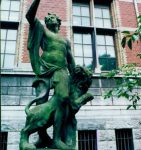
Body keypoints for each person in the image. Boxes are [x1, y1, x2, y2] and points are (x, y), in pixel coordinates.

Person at [25, 0, 76, 149]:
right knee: (41, 103)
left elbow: (70, 59)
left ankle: (57, 138)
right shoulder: (43, 31)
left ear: (58, 21)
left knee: (63, 99)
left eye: (52, 17)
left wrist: (74, 75)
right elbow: (30, 16)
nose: (49, 19)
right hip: (44, 70)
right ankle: (42, 138)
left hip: (61, 71)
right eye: (47, 19)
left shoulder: (65, 40)